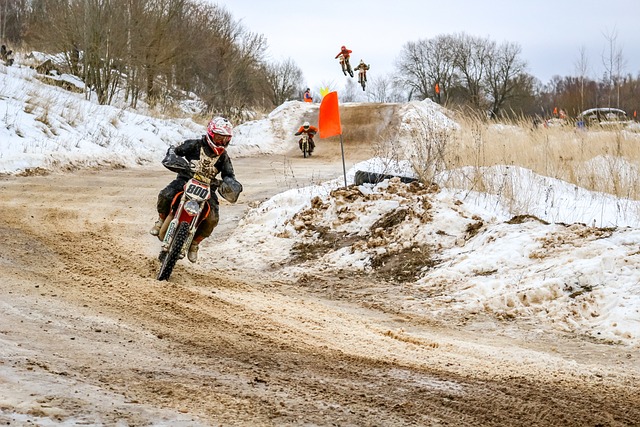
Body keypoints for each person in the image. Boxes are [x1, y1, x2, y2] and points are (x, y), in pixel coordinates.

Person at [150, 116, 242, 263]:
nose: (221, 142)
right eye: (218, 138)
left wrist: (230, 183)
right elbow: (175, 150)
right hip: (186, 179)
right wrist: (174, 157)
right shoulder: (194, 145)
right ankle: (161, 220)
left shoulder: (223, 157)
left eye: (225, 139)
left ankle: (194, 243)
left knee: (212, 218)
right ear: (211, 134)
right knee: (166, 194)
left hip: (208, 189)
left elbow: (229, 174)